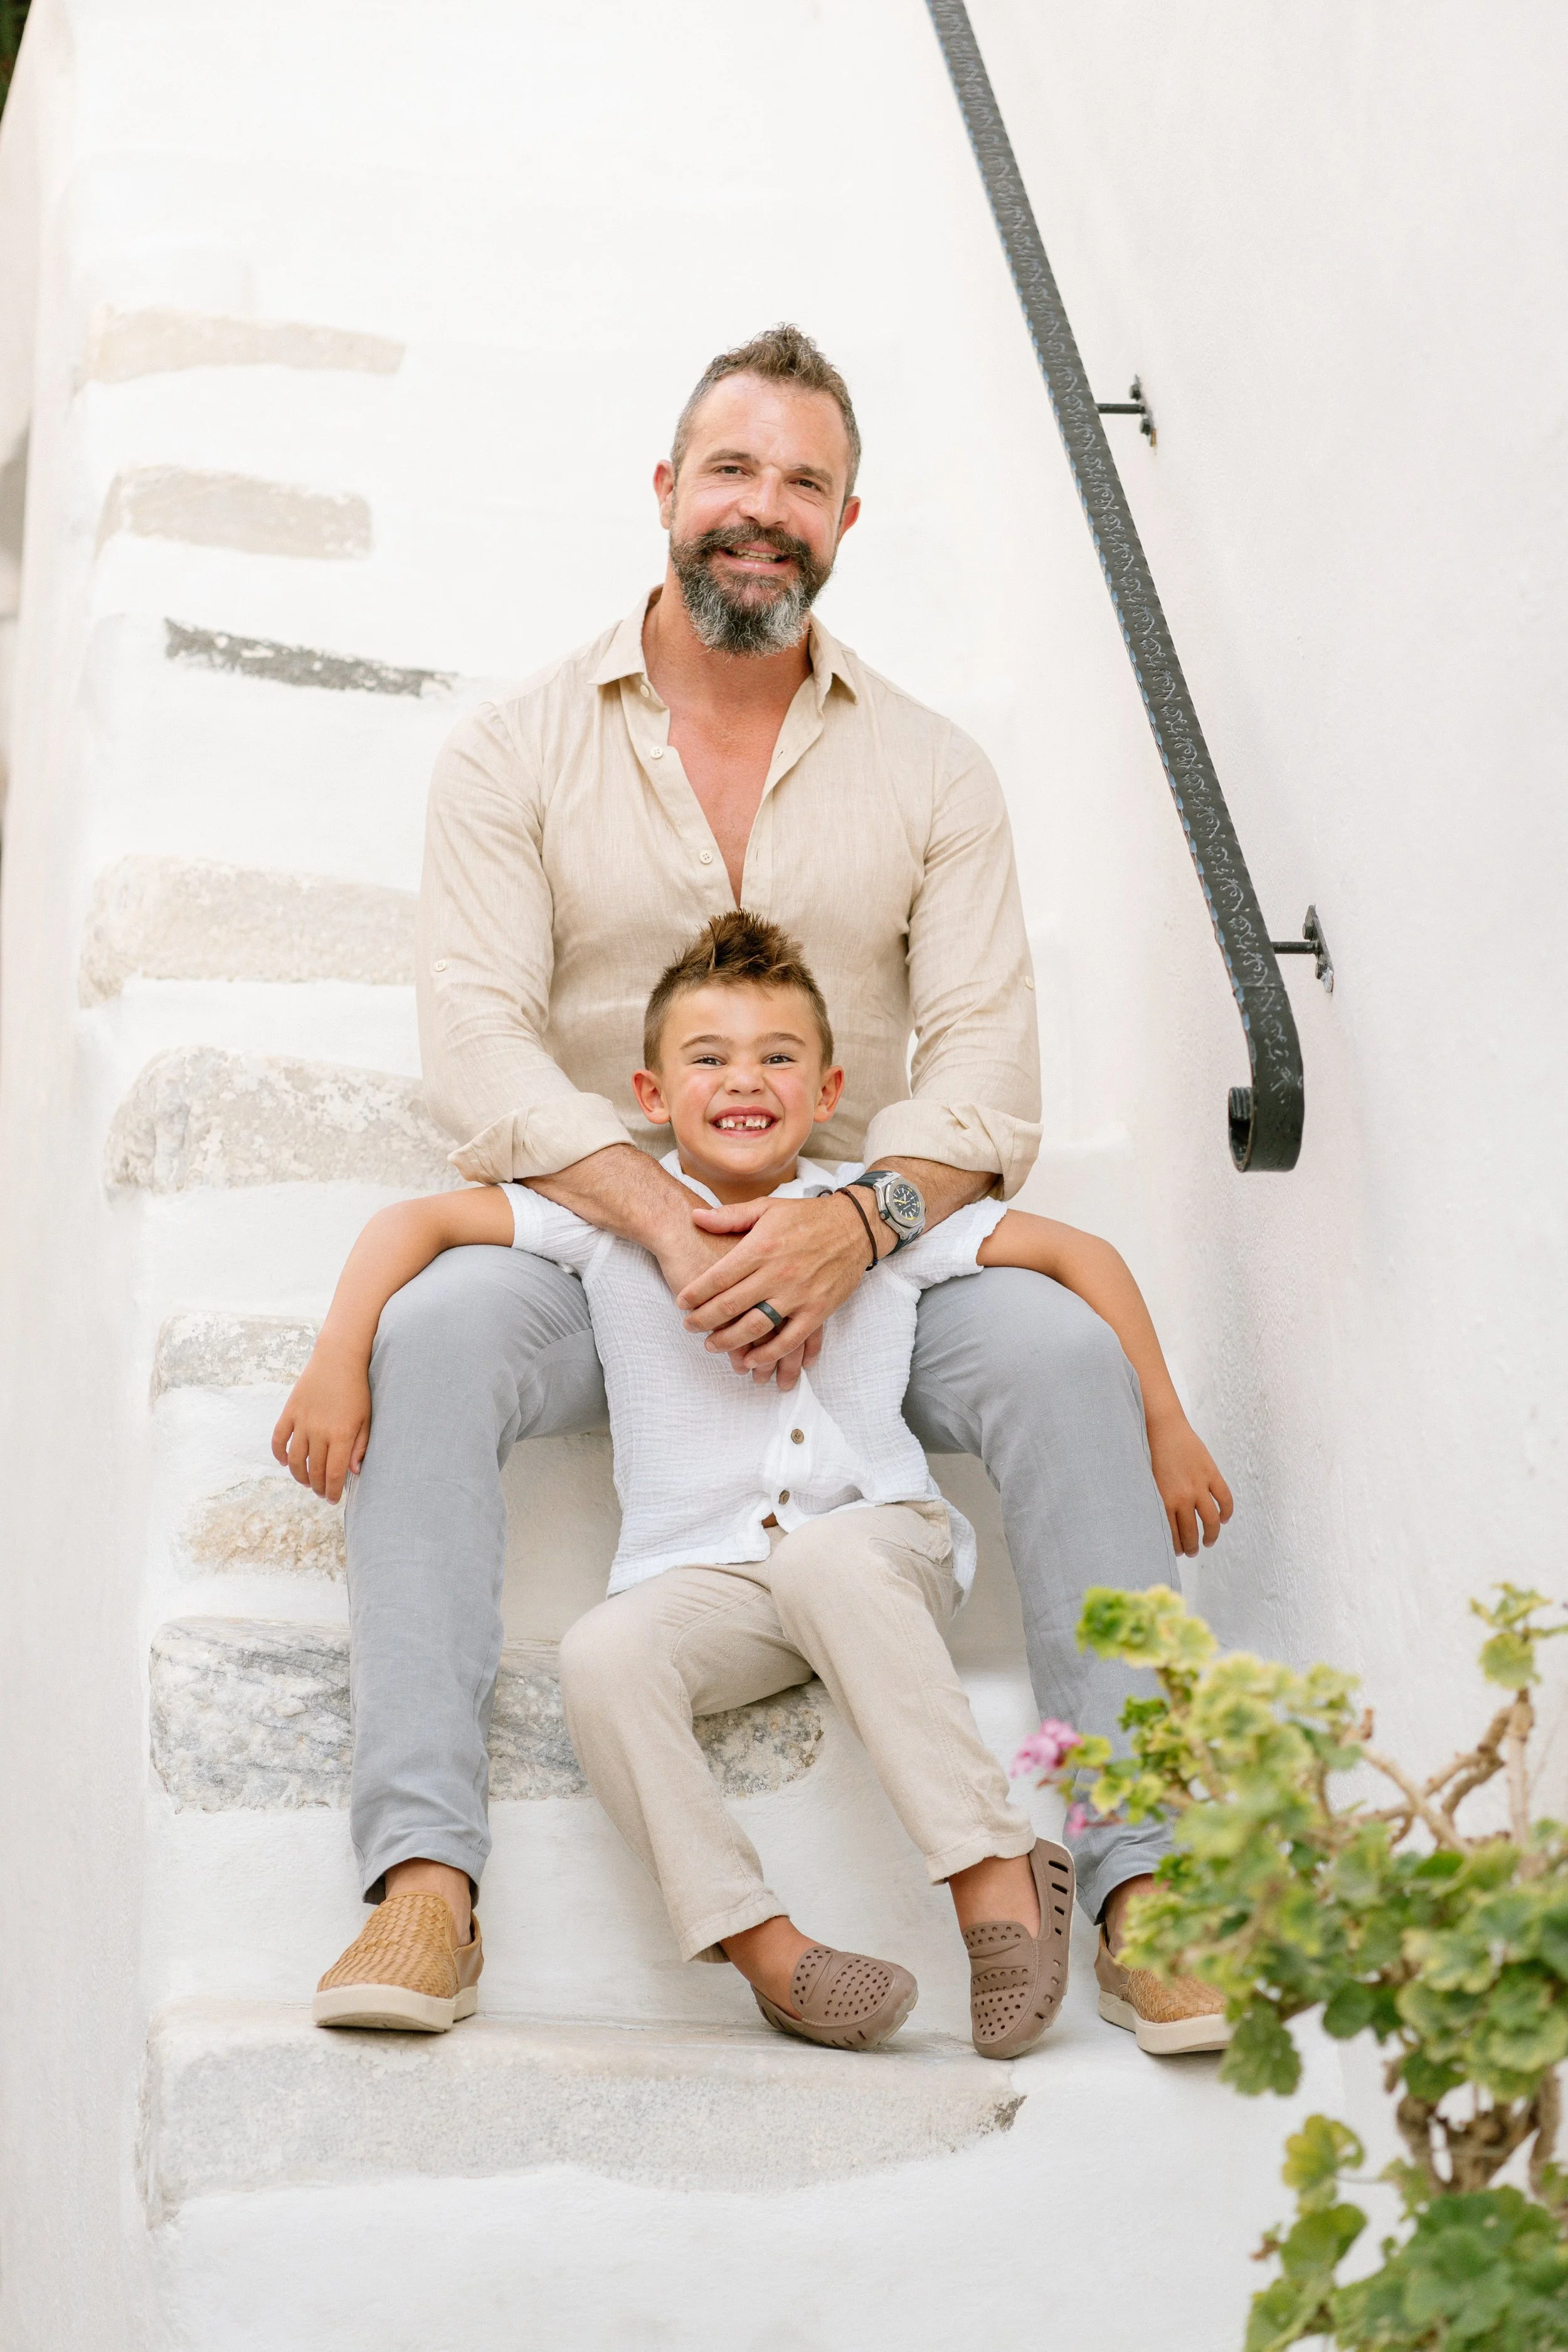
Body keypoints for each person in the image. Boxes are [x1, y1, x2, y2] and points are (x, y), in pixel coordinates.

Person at [279, 321, 1234, 2050]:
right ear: (665, 492)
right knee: (431, 1336)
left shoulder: (933, 768)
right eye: (731, 469)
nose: (761, 509)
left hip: (868, 1253)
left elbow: (988, 1077)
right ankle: (422, 1879)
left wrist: (846, 1224)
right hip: (596, 1240)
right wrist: (662, 1215)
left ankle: (1144, 1874)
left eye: (802, 481)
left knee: (1059, 1355)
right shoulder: (513, 755)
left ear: (846, 519)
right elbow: (479, 1051)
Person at [282, 913, 1227, 2057]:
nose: (745, 1080)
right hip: (720, 1583)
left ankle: (996, 1876)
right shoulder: (612, 1225)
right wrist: (340, 1356)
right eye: (709, 1058)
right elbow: (419, 1219)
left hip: (875, 1548)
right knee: (602, 1654)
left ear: (830, 1087)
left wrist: (1165, 1421)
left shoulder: (872, 1218)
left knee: (828, 1556)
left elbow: (1084, 1258)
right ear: (648, 1091)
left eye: (779, 1056)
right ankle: (767, 1948)